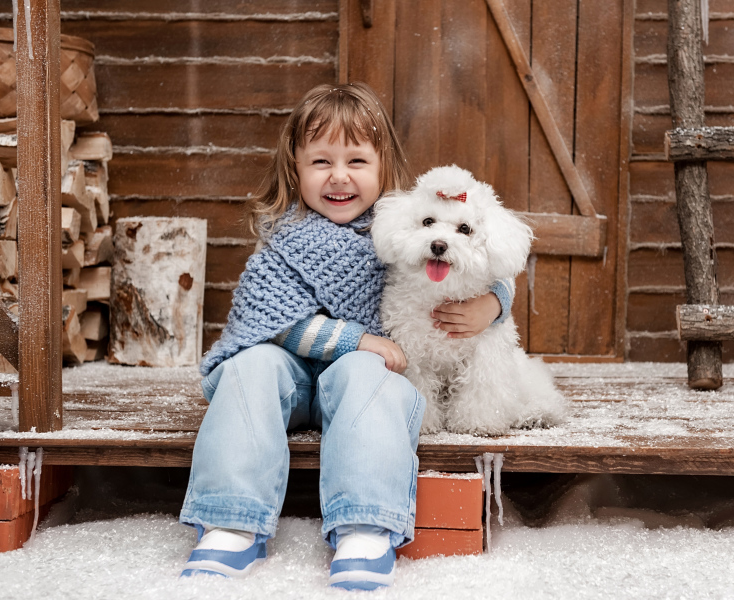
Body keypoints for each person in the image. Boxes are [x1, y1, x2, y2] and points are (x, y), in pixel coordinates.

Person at [178, 82, 513, 591]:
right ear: (295, 167)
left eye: (357, 161)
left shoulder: (407, 229)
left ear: (383, 169)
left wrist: (494, 304)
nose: (339, 177)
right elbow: (271, 319)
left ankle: (365, 522)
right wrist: (353, 338)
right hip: (286, 380)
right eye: (320, 162)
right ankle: (230, 519)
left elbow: (484, 265)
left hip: (358, 390)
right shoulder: (283, 238)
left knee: (368, 372)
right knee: (248, 367)